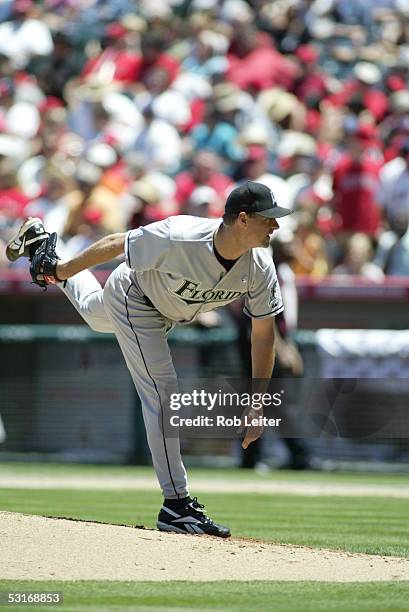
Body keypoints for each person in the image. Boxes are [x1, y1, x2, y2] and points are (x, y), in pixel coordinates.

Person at [6, 181, 292, 538]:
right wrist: (62, 272)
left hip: (163, 311)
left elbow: (263, 334)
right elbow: (114, 244)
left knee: (96, 316)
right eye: (269, 219)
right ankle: (177, 504)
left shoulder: (261, 266)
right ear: (244, 220)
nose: (276, 226)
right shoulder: (181, 235)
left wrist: (258, 401)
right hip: (135, 295)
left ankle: (42, 242)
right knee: (163, 392)